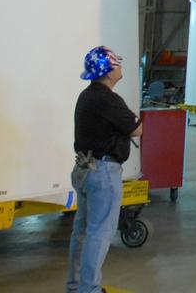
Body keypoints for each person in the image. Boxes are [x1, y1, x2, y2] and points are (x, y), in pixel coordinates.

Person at [67, 46, 142, 293]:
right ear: (108, 72)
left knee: (82, 232)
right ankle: (89, 289)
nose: (120, 67)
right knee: (99, 234)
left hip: (84, 168)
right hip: (103, 172)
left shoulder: (86, 96)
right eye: (117, 64)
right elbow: (136, 129)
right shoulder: (107, 99)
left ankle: (76, 286)